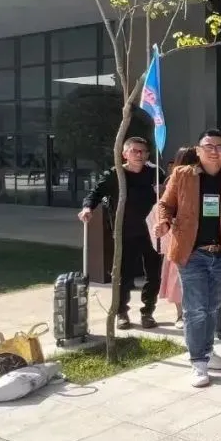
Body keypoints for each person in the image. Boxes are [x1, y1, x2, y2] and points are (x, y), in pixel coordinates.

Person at [155, 129, 221, 387]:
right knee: (196, 309)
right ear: (198, 150)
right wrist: (164, 222)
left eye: (219, 147)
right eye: (208, 146)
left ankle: (207, 351)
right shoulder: (182, 175)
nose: (214, 151)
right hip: (191, 252)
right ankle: (198, 362)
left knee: (212, 307)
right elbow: (165, 204)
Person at [79, 136, 165, 330]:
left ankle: (148, 312)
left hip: (152, 232)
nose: (139, 155)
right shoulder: (115, 174)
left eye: (143, 151)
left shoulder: (155, 173)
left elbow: (168, 197)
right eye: (134, 151)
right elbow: (95, 193)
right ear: (124, 154)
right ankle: (121, 313)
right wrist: (87, 208)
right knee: (123, 275)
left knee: (154, 274)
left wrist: (164, 190)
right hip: (125, 232)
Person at [149, 145, 197, 326]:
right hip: (178, 234)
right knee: (177, 277)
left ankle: (186, 315)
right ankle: (181, 314)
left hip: (193, 235)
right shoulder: (174, 179)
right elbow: (167, 206)